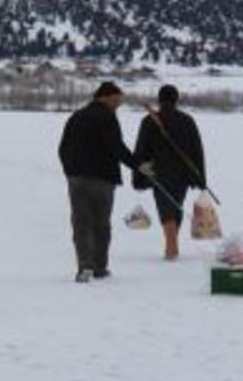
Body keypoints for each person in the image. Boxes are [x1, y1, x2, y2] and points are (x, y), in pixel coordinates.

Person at [58, 82, 141, 283]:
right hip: (102, 179)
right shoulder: (106, 116)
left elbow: (62, 147)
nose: (119, 104)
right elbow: (116, 146)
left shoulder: (76, 116)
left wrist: (70, 171)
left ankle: (84, 267)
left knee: (81, 223)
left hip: (76, 179)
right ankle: (99, 267)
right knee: (101, 224)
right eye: (118, 99)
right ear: (107, 97)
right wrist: (137, 165)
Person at [133, 85, 206, 261]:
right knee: (176, 206)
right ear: (176, 99)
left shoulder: (149, 120)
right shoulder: (187, 120)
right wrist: (200, 176)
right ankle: (172, 244)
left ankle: (171, 247)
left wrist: (139, 174)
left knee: (166, 208)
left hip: (159, 172)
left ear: (159, 99)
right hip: (183, 173)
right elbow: (197, 150)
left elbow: (141, 149)